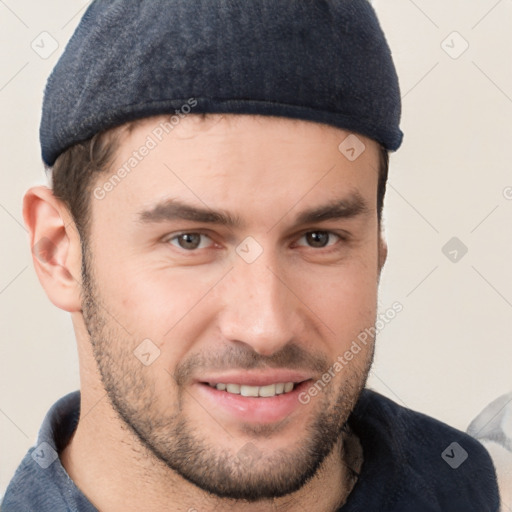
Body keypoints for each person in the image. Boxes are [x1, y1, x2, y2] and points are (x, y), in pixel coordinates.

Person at [1, 1, 500, 510]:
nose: (266, 327)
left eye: (318, 238)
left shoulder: (469, 483)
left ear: (377, 250)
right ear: (58, 252)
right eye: (190, 240)